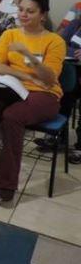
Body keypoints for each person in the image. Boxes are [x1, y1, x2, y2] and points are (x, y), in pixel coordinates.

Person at [0, 0, 65, 204]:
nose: (23, 14)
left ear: (43, 15)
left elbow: (49, 78)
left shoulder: (54, 40)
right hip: (12, 87)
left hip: (44, 93)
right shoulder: (10, 34)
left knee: (12, 117)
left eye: (30, 11)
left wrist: (28, 55)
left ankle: (6, 184)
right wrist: (23, 74)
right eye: (21, 10)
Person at [58, 19, 81, 164]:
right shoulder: (77, 22)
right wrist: (73, 52)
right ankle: (59, 137)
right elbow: (59, 42)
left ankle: (80, 147)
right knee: (63, 96)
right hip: (73, 69)